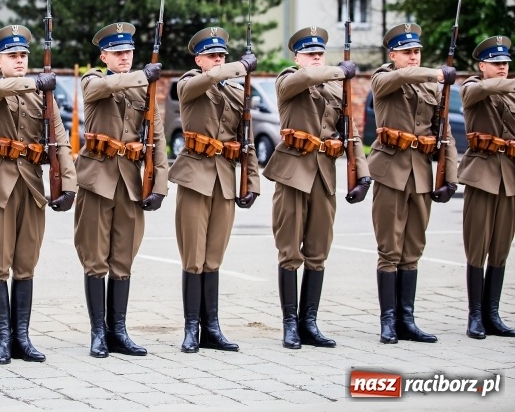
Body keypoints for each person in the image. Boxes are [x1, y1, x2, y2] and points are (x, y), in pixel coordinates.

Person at [0, 25, 77, 364]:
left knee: (26, 265)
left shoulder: (40, 95)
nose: (19, 61)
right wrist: (36, 82)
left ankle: (22, 338)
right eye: (13, 56)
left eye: (23, 56)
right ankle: (2, 339)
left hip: (31, 185)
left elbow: (59, 139)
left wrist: (69, 184)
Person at [263, 26, 370, 349]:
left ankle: (309, 322)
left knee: (318, 251)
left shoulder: (338, 90)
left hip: (324, 175)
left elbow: (350, 134)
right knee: (289, 252)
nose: (316, 59)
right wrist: (337, 71)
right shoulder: (288, 80)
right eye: (309, 54)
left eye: (320, 54)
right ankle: (290, 324)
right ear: (297, 57)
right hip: (293, 173)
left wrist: (361, 173)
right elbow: (303, 80)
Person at [74, 22, 169, 358]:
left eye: (128, 51)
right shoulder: (92, 80)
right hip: (97, 179)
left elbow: (156, 140)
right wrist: (145, 75)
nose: (125, 57)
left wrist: (159, 183)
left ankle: (119, 331)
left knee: (123, 257)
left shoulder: (145, 90)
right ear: (104, 56)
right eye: (117, 52)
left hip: (130, 181)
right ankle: (98, 333)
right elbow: (99, 91)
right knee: (95, 258)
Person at [168, 27, 260, 353]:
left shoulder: (236, 92)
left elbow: (245, 139)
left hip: (224, 180)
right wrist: (239, 66)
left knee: (213, 258)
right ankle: (191, 328)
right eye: (212, 56)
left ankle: (212, 327)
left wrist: (252, 182)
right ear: (198, 59)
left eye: (222, 54)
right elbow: (202, 83)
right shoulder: (189, 83)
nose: (218, 60)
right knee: (193, 257)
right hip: (195, 178)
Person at [369, 23, 457, 344]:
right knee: (389, 248)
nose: (413, 57)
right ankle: (388, 321)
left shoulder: (432, 89)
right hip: (391, 171)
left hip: (420, 173)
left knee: (413, 249)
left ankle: (407, 319)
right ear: (392, 55)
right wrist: (434, 72)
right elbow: (401, 77)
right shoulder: (384, 78)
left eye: (417, 51)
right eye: (407, 52)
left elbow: (443, 134)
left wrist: (451, 176)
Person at [458, 35, 515, 340]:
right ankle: (475, 315)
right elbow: (477, 93)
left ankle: (492, 313)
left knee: (501, 248)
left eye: (505, 63)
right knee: (477, 247)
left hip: (510, 177)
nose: (502, 68)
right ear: (482, 66)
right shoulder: (472, 87)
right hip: (482, 173)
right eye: (495, 63)